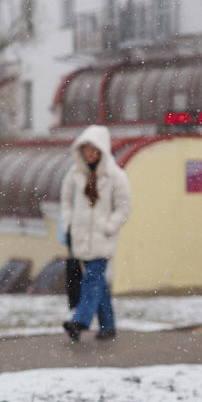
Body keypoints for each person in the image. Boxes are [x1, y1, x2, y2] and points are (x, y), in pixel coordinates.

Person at [60, 124, 131, 341]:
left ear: (102, 151)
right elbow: (65, 201)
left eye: (94, 149)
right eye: (86, 149)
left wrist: (109, 226)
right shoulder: (75, 173)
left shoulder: (115, 176)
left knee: (91, 279)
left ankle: (80, 321)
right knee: (97, 282)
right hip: (80, 238)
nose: (89, 154)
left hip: (103, 239)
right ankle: (108, 327)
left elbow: (124, 207)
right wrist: (68, 225)